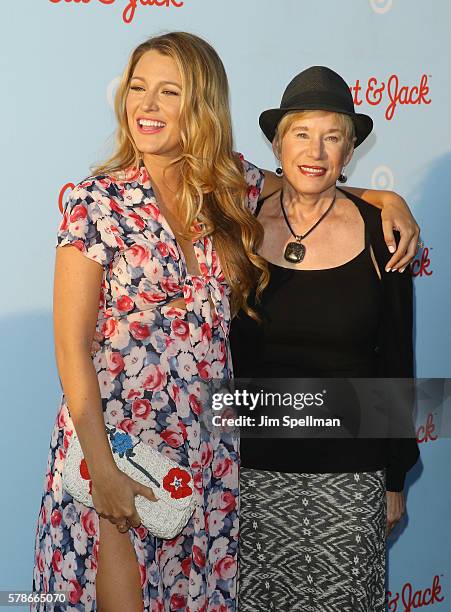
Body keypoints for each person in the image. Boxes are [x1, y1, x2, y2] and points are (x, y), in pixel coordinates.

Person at [32, 32, 419, 611]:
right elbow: (69, 349)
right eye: (139, 88)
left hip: (208, 458)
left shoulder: (225, 185)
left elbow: (307, 177)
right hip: (119, 446)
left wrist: (388, 202)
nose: (148, 105)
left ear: (202, 105)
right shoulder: (95, 203)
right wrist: (101, 467)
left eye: (170, 91)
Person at [230, 66, 420, 611]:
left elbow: (397, 362)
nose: (316, 150)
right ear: (276, 143)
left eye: (333, 136)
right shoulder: (239, 227)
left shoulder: (382, 233)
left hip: (351, 478)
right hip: (250, 480)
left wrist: (393, 480)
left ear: (350, 150)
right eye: (302, 133)